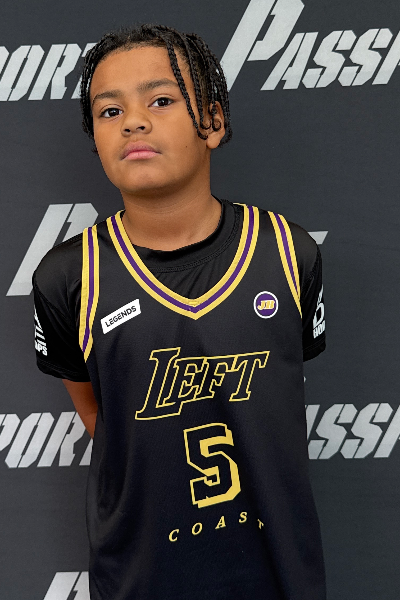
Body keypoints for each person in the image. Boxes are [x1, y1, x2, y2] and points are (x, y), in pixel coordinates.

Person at [32, 23, 327, 600]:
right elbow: (97, 408)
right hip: (141, 577)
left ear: (212, 122)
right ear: (96, 139)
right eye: (110, 111)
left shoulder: (288, 251)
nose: (133, 122)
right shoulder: (68, 276)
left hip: (278, 573)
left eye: (161, 101)